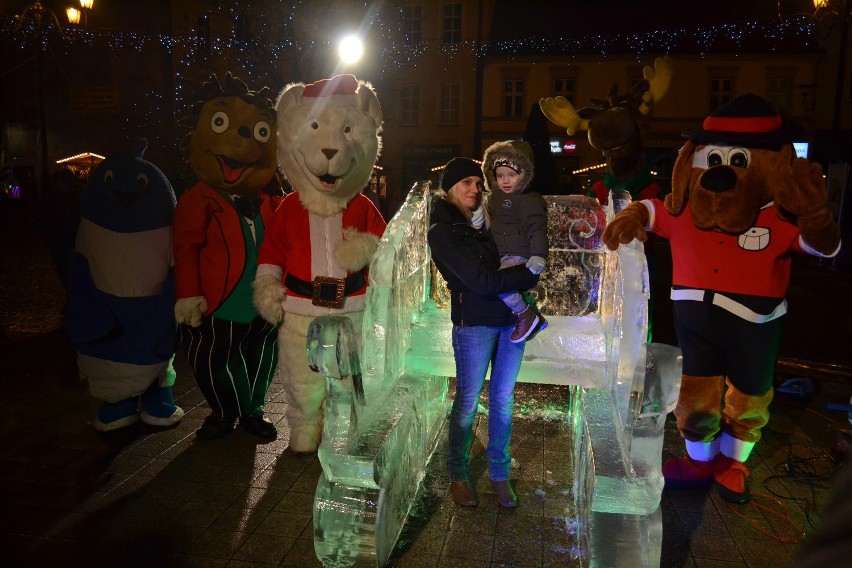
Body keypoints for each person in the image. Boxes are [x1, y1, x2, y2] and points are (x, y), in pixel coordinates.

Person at [427, 157, 540, 509]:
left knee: (504, 400)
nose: (475, 189)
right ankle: (458, 474)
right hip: (474, 323)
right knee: (467, 403)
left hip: (510, 321)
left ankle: (499, 474)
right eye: (467, 183)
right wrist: (526, 274)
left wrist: (529, 265)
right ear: (449, 189)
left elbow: (518, 252)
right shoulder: (442, 231)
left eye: (479, 183)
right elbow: (482, 281)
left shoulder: (487, 221)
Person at [482, 140, 549, 343]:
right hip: (502, 254)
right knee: (496, 283)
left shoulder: (528, 200)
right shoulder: (494, 198)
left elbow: (536, 228)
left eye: (512, 174)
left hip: (520, 255)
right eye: (500, 176)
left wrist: (539, 255)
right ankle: (535, 315)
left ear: (524, 174)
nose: (506, 180)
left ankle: (525, 315)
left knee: (497, 285)